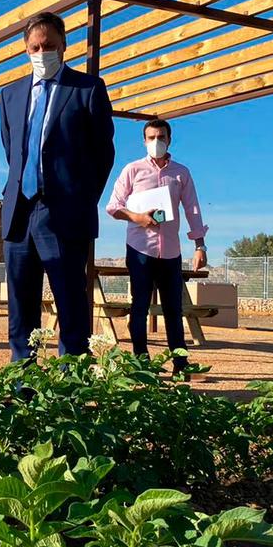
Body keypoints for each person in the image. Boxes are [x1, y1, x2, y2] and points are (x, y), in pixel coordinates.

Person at [0, 12, 115, 360]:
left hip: (64, 213)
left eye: (48, 45)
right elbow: (13, 151)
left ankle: (71, 385)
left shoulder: (88, 89)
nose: (41, 52)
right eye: (34, 46)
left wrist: (78, 199)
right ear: (25, 49)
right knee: (20, 304)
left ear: (63, 45)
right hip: (20, 212)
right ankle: (23, 382)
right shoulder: (10, 94)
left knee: (70, 302)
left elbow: (103, 154)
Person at [106, 118, 208, 374]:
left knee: (174, 309)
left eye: (161, 137)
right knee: (139, 306)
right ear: (144, 141)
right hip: (140, 248)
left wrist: (200, 245)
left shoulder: (181, 173)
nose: (156, 142)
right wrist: (137, 218)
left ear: (169, 140)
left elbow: (192, 208)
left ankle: (181, 363)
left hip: (171, 251)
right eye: (151, 138)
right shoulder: (132, 170)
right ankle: (141, 363)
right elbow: (113, 206)